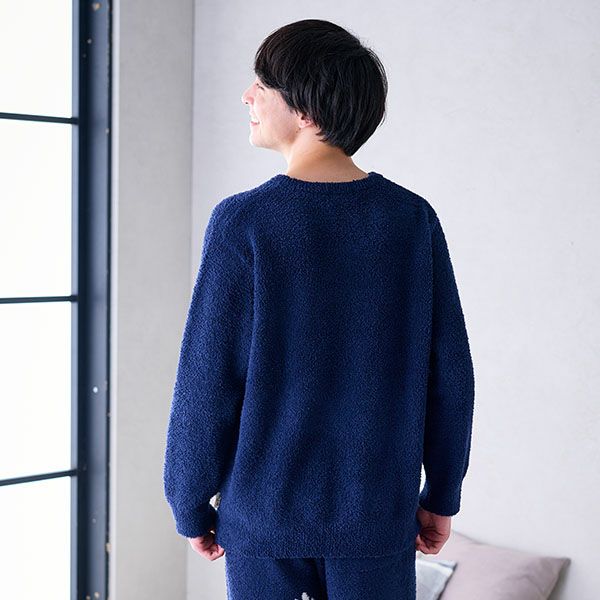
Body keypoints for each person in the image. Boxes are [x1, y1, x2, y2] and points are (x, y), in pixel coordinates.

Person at [163, 18, 475, 600]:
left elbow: (207, 379)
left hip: (263, 521)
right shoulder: (411, 221)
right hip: (376, 519)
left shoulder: (244, 223)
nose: (247, 96)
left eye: (263, 85)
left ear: (305, 110)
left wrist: (189, 499)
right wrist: (442, 494)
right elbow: (449, 376)